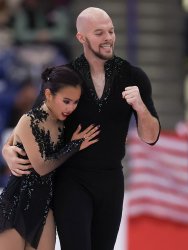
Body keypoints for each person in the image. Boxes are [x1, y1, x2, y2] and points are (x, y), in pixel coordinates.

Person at [3, 7, 160, 249]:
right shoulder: (65, 77)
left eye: (111, 31)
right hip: (71, 179)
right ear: (81, 38)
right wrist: (7, 150)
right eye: (99, 33)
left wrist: (140, 107)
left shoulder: (134, 77)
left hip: (111, 180)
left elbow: (151, 137)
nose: (108, 38)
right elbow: (32, 120)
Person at [0, 65, 100, 249]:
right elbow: (41, 167)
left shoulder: (63, 123)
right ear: (48, 95)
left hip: (44, 208)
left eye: (75, 102)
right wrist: (74, 146)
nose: (71, 107)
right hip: (15, 205)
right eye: (66, 101)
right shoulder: (29, 120)